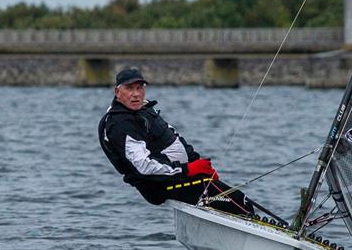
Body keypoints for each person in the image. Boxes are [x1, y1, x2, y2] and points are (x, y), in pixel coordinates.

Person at [98, 67, 255, 216]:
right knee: (241, 203)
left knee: (235, 200)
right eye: (130, 89)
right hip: (160, 186)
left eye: (139, 88)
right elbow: (144, 166)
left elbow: (174, 137)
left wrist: (199, 163)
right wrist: (188, 170)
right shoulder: (120, 124)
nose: (136, 94)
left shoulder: (143, 109)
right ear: (117, 92)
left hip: (176, 177)